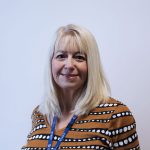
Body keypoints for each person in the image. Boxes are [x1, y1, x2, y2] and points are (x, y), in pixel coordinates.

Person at [22, 24, 140, 150]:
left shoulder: (116, 115)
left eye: (79, 57)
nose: (69, 65)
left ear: (91, 65)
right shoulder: (40, 113)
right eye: (61, 56)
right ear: (51, 62)